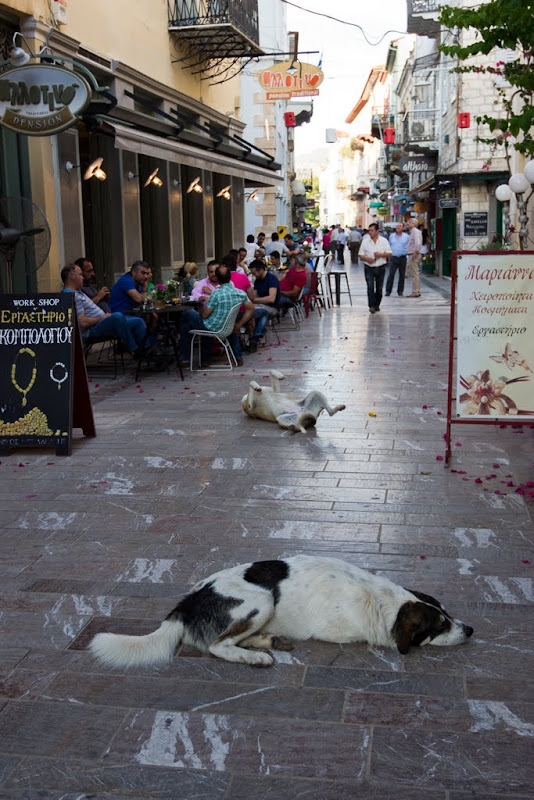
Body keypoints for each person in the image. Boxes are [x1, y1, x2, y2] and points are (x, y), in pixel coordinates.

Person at [61, 263, 149, 356]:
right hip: (91, 330)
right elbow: (82, 322)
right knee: (117, 316)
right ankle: (135, 350)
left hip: (102, 322)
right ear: (72, 276)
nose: (82, 278)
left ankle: (148, 349)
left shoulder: (78, 292)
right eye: (80, 275)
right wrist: (101, 318)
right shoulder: (71, 296)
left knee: (138, 321)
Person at [179, 264, 254, 366]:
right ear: (230, 277)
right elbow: (251, 308)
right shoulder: (240, 293)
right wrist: (239, 324)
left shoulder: (216, 294)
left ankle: (187, 359)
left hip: (212, 327)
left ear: (218, 279)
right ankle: (238, 357)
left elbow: (205, 315)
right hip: (228, 326)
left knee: (187, 314)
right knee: (186, 325)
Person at [358, 222, 392, 314]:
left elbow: (389, 253)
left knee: (379, 288)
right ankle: (371, 306)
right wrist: (367, 259)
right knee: (370, 287)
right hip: (369, 267)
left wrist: (380, 254)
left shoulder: (384, 241)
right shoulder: (365, 242)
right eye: (369, 230)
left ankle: (377, 304)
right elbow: (360, 254)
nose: (370, 232)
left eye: (372, 230)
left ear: (377, 231)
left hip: (380, 267)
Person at [385, 223, 410, 297]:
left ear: (403, 228)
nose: (398, 227)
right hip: (393, 257)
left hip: (402, 257)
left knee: (402, 275)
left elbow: (409, 245)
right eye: (397, 226)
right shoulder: (391, 236)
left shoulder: (406, 237)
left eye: (400, 226)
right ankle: (388, 291)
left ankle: (400, 291)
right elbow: (389, 245)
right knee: (391, 274)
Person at [406, 218, 423, 298]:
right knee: (414, 273)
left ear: (413, 224)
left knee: (414, 273)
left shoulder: (415, 232)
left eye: (409, 222)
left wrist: (415, 252)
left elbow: (417, 243)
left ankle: (415, 291)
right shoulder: (413, 232)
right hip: (412, 253)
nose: (408, 223)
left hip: (414, 254)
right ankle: (416, 290)